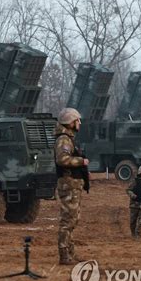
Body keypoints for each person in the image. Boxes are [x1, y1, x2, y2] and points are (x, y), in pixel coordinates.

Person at [54, 108, 89, 265]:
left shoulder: (69, 138)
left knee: (73, 219)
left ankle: (70, 252)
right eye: (77, 120)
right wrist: (81, 161)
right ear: (70, 122)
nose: (79, 123)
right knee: (68, 220)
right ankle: (64, 255)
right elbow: (62, 159)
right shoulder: (64, 139)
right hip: (68, 184)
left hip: (73, 184)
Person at [126, 165, 141, 239]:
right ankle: (133, 234)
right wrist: (132, 195)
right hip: (134, 204)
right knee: (133, 220)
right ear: (140, 173)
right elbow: (128, 190)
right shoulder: (134, 181)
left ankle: (140, 233)